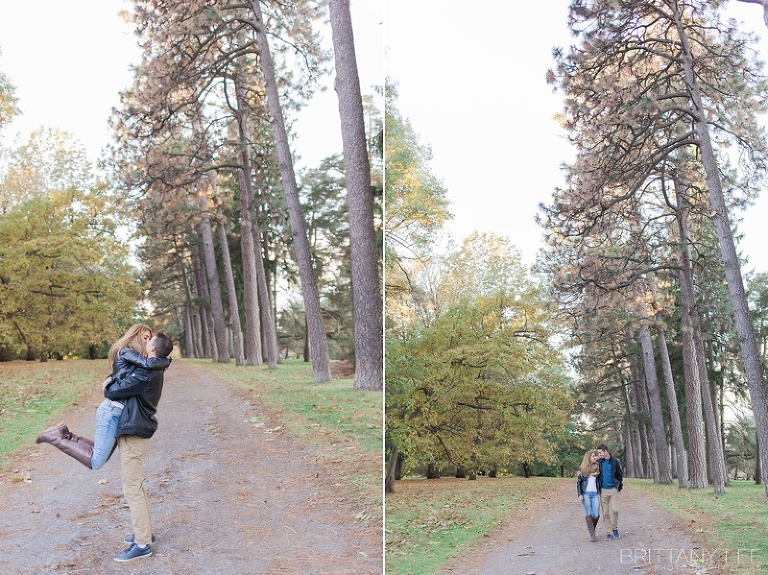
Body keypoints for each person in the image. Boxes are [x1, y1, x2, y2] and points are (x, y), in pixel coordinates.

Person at [35, 324, 168, 470]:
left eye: (150, 338)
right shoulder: (128, 351)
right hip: (112, 411)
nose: (148, 342)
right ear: (135, 336)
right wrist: (165, 361)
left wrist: (111, 378)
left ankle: (65, 435)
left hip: (118, 411)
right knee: (96, 461)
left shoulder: (136, 355)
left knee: (98, 453)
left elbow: (124, 375)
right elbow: (144, 367)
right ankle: (55, 437)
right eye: (145, 338)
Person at [106, 332, 173, 563]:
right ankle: (144, 532)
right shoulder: (154, 369)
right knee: (137, 487)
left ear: (153, 348)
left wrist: (108, 382)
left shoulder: (146, 372)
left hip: (134, 432)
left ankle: (142, 544)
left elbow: (113, 391)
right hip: (138, 430)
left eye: (149, 339)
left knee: (132, 489)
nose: (145, 341)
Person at [596, 443, 624, 541]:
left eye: (600, 452)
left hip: (613, 490)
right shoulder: (599, 462)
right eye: (598, 453)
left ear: (605, 451)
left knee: (615, 510)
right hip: (603, 490)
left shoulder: (615, 461)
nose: (599, 454)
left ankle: (615, 529)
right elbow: (589, 467)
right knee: (605, 513)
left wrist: (618, 486)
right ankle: (609, 532)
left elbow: (620, 475)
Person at [576, 450, 601, 542]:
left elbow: (603, 459)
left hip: (595, 494)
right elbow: (578, 483)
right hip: (586, 494)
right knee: (588, 513)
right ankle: (592, 535)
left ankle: (592, 529)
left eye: (595, 456)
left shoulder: (598, 467)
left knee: (596, 515)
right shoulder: (582, 469)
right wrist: (580, 494)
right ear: (588, 458)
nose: (595, 457)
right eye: (593, 456)